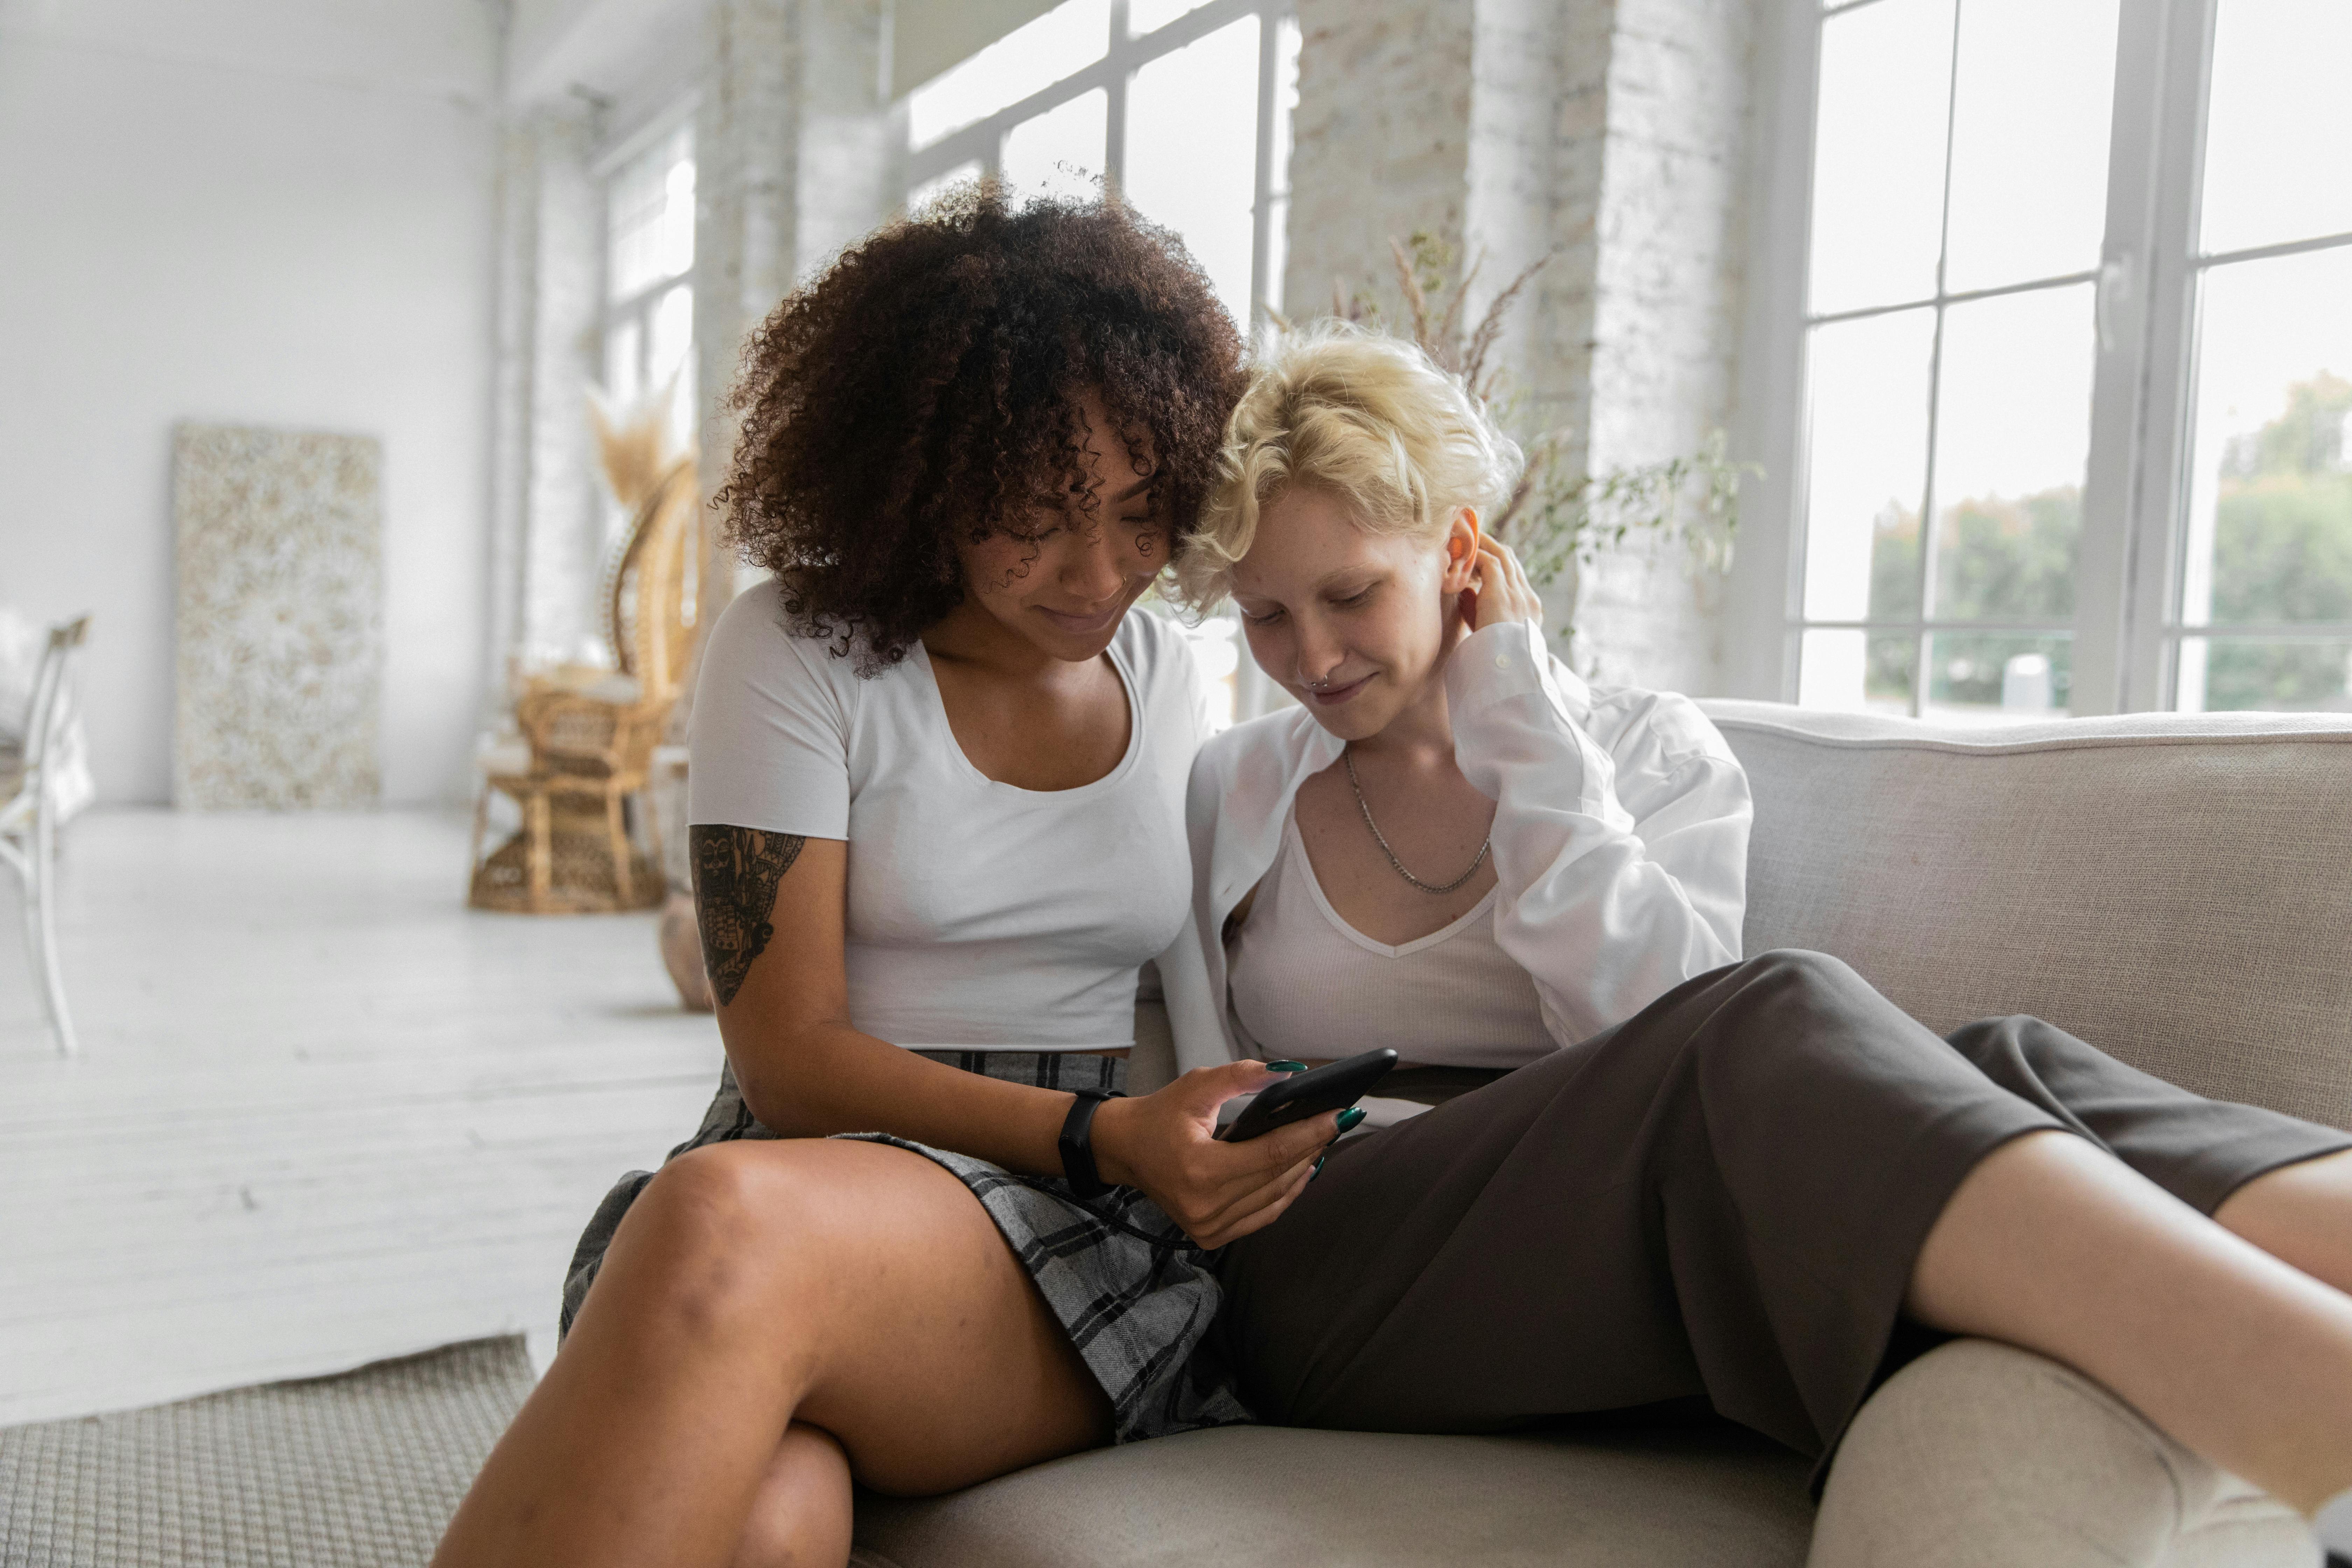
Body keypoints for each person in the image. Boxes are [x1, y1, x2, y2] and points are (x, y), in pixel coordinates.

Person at [1160, 321, 2352, 1554]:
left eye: (1352, 595)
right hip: (1325, 1261)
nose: (1310, 657)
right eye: (1265, 619)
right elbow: (1702, 1046)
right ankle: (2326, 1416)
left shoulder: (1641, 754)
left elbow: (1653, 1036)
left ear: (1463, 553)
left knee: (2002, 1061)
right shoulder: (1236, 788)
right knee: (1772, 1010)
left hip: (1597, 1227)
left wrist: (1514, 716)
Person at [432, 190, 1337, 1568]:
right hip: (812, 1174)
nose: (1098, 570)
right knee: (770, 1527)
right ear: (925, 485)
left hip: (1064, 1233)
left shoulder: (1172, 678)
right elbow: (788, 1060)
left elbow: (1212, 978)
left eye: (1144, 513)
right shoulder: (795, 649)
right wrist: (1110, 1128)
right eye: (1036, 518)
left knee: (717, 1230)